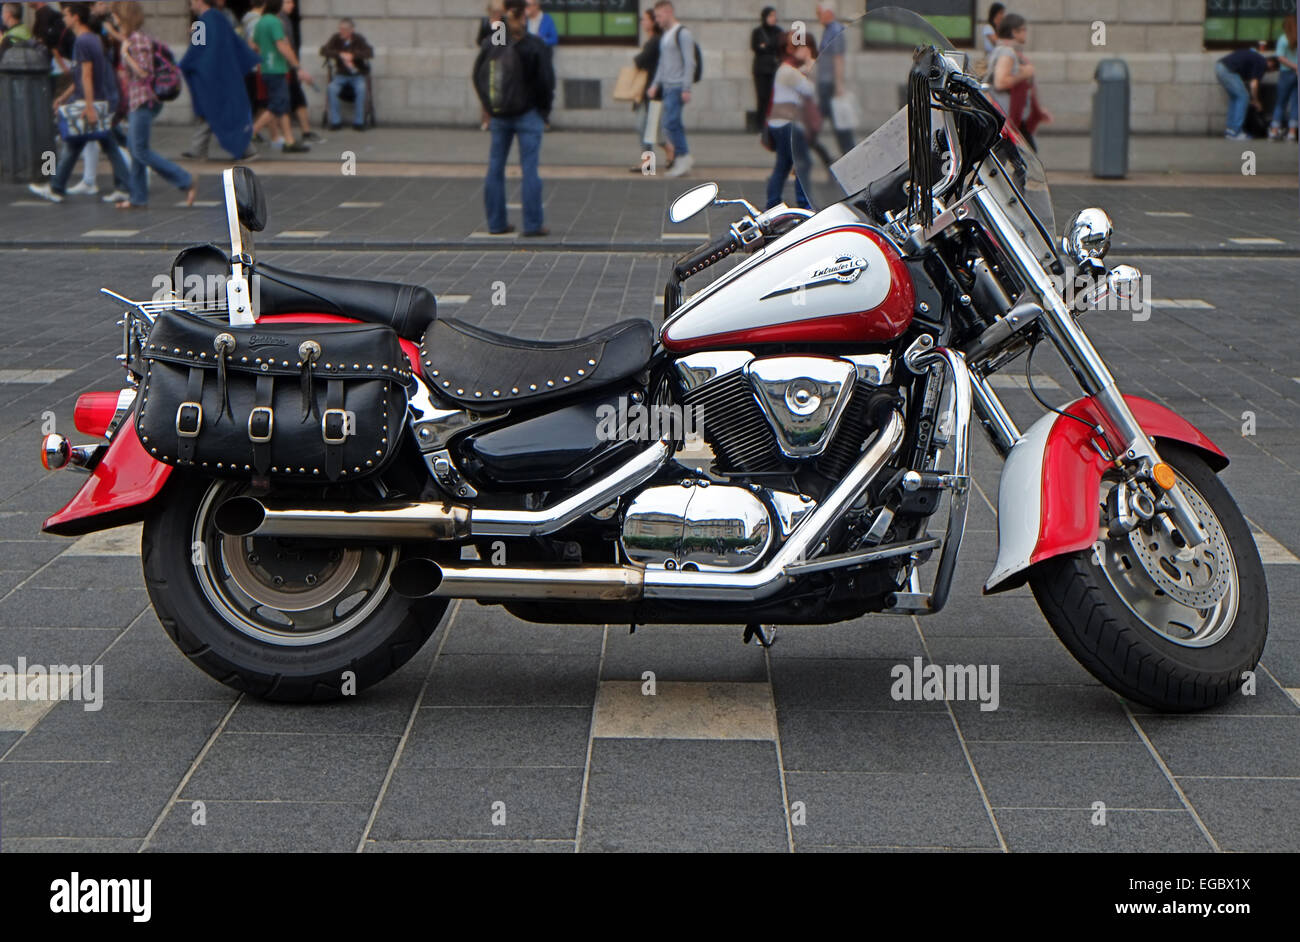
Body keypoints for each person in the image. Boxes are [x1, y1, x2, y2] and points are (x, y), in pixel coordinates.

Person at [28, 3, 130, 204]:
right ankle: (123, 187)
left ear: (76, 17)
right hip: (96, 100)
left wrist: (89, 106)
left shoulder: (82, 42)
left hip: (90, 102)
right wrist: (65, 96)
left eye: (66, 14)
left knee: (84, 144)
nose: (63, 18)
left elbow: (86, 75)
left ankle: (57, 187)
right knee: (98, 144)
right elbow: (81, 75)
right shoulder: (92, 39)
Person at [473, 0, 554, 236]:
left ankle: (496, 224)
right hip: (529, 114)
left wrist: (488, 106)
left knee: (495, 168)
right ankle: (532, 225)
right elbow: (546, 82)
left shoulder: (492, 44)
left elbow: (477, 76)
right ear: (525, 16)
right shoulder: (534, 45)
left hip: (499, 115)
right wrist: (544, 112)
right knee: (529, 169)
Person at [108, 1, 197, 210]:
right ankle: (138, 197)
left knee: (140, 150)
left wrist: (126, 56)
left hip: (144, 100)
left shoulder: (137, 40)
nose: (113, 19)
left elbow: (145, 73)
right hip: (137, 101)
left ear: (123, 16)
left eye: (115, 15)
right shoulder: (133, 38)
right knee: (134, 148)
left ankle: (185, 180)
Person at [180, 0, 261, 160]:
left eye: (192, 2)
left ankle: (246, 150)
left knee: (212, 110)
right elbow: (236, 43)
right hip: (225, 74)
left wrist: (183, 65)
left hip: (208, 76)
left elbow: (196, 52)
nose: (190, 5)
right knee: (218, 112)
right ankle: (198, 149)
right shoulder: (220, 18)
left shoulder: (200, 24)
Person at [250, 0, 312, 152]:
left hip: (265, 69)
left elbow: (253, 45)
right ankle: (250, 132)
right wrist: (297, 67)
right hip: (277, 69)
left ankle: (289, 141)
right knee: (278, 105)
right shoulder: (276, 22)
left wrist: (265, 52)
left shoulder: (260, 22)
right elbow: (282, 45)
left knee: (282, 106)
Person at [765, 32, 815, 211]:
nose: (805, 49)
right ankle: (803, 203)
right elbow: (810, 89)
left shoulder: (786, 70)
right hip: (787, 124)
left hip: (779, 123)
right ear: (791, 50)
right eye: (801, 47)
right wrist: (810, 61)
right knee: (802, 163)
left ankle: (773, 203)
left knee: (784, 164)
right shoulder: (788, 72)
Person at [647, 0, 696, 178]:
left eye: (659, 16)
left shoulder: (682, 34)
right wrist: (655, 84)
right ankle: (683, 159)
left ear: (668, 13)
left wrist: (686, 87)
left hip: (677, 86)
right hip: (668, 86)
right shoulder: (667, 35)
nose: (657, 20)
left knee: (670, 123)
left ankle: (683, 157)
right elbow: (662, 63)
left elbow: (690, 62)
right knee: (673, 124)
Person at [986, 13, 1050, 149]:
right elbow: (1000, 82)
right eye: (1024, 30)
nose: (1026, 33)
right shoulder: (1007, 53)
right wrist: (1025, 73)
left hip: (1010, 119)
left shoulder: (1005, 51)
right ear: (1014, 32)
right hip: (1007, 118)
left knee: (1018, 159)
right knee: (1027, 160)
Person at [813, 1, 852, 155]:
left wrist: (839, 86)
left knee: (840, 127)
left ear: (828, 13)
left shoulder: (835, 30)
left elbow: (838, 59)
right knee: (837, 126)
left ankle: (849, 155)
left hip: (830, 84)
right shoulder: (828, 30)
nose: (817, 17)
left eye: (819, 13)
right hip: (825, 83)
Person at [321, 17, 373, 131]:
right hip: (341, 74)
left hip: (356, 75)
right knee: (332, 88)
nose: (341, 32)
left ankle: (359, 122)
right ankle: (336, 121)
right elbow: (324, 50)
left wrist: (353, 55)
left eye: (344, 30)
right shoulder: (336, 38)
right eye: (340, 29)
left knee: (361, 89)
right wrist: (340, 54)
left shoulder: (359, 39)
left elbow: (369, 52)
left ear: (351, 30)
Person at [281, 0, 320, 142]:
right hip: (284, 68)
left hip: (287, 67)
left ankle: (305, 131)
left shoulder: (286, 20)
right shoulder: (280, 21)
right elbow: (285, 46)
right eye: (288, 2)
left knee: (296, 99)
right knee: (277, 105)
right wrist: (298, 68)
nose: (292, 5)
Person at [1216, 44, 1272, 140]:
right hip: (1228, 70)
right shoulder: (1262, 62)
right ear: (1271, 62)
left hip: (1220, 66)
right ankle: (1236, 131)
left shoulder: (1255, 58)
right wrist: (1256, 101)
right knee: (1243, 97)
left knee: (1235, 98)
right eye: (1272, 69)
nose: (1269, 71)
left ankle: (1230, 129)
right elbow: (1254, 84)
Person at [630, 7, 661, 171]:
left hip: (651, 90)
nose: (642, 22)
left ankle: (652, 160)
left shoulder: (654, 41)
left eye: (645, 19)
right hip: (648, 90)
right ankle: (649, 161)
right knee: (648, 128)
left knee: (645, 127)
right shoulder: (652, 40)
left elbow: (640, 60)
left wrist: (638, 58)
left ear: (653, 22)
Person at [751, 7, 782, 127]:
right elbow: (755, 47)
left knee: (773, 97)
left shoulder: (779, 31)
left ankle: (772, 123)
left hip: (774, 68)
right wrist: (768, 46)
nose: (774, 18)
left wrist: (765, 46)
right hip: (761, 69)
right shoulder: (757, 32)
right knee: (762, 96)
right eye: (771, 16)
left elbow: (780, 47)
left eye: (774, 15)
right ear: (765, 17)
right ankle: (760, 124)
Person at [1269, 16, 1297, 142]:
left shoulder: (1283, 39)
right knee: (1296, 104)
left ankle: (1274, 131)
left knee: (1280, 103)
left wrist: (1293, 66)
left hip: (1286, 73)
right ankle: (1292, 132)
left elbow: (1279, 57)